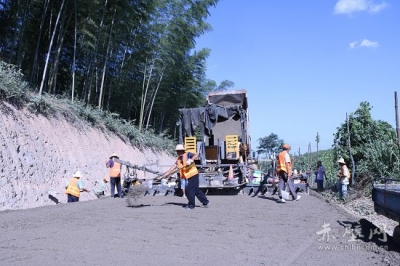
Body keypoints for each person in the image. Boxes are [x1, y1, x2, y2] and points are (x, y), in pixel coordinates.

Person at [160, 144, 209, 210]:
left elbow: (196, 155)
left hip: (193, 174)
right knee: (196, 190)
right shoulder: (179, 159)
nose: (177, 152)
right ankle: (205, 202)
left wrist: (190, 160)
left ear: (182, 151)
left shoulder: (188, 154)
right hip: (188, 176)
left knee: (189, 190)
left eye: (178, 151)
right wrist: (166, 174)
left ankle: (191, 206)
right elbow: (173, 167)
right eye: (177, 151)